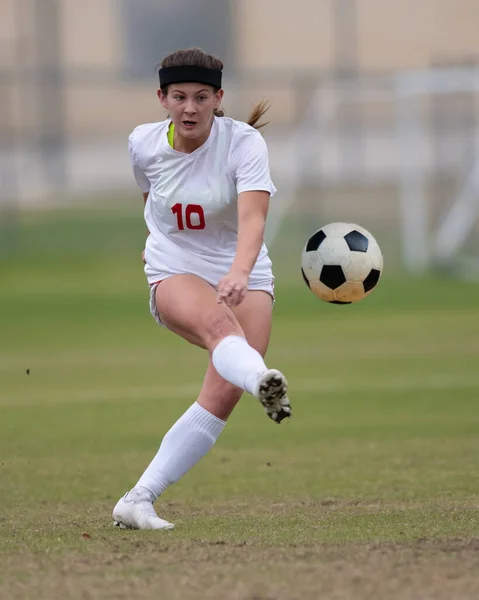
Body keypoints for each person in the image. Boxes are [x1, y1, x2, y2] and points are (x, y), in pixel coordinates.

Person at [112, 47, 291, 531]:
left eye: (201, 97)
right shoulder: (143, 144)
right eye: (179, 97)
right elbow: (151, 196)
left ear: (218, 98)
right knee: (220, 329)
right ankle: (263, 383)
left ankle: (137, 499)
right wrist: (155, 244)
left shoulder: (244, 143)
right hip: (174, 265)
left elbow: (254, 220)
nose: (190, 107)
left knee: (221, 394)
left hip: (243, 268)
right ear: (162, 99)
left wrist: (237, 272)